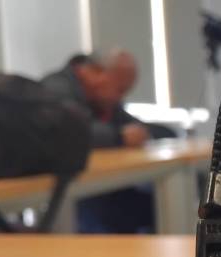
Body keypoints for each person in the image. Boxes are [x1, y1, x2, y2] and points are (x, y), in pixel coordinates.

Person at [41, 50, 166, 233]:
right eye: (120, 89)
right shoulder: (55, 89)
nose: (120, 97)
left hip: (104, 191)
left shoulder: (101, 99)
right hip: (76, 195)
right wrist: (119, 137)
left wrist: (140, 132)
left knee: (158, 205)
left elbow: (129, 124)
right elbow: (67, 132)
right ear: (95, 73)